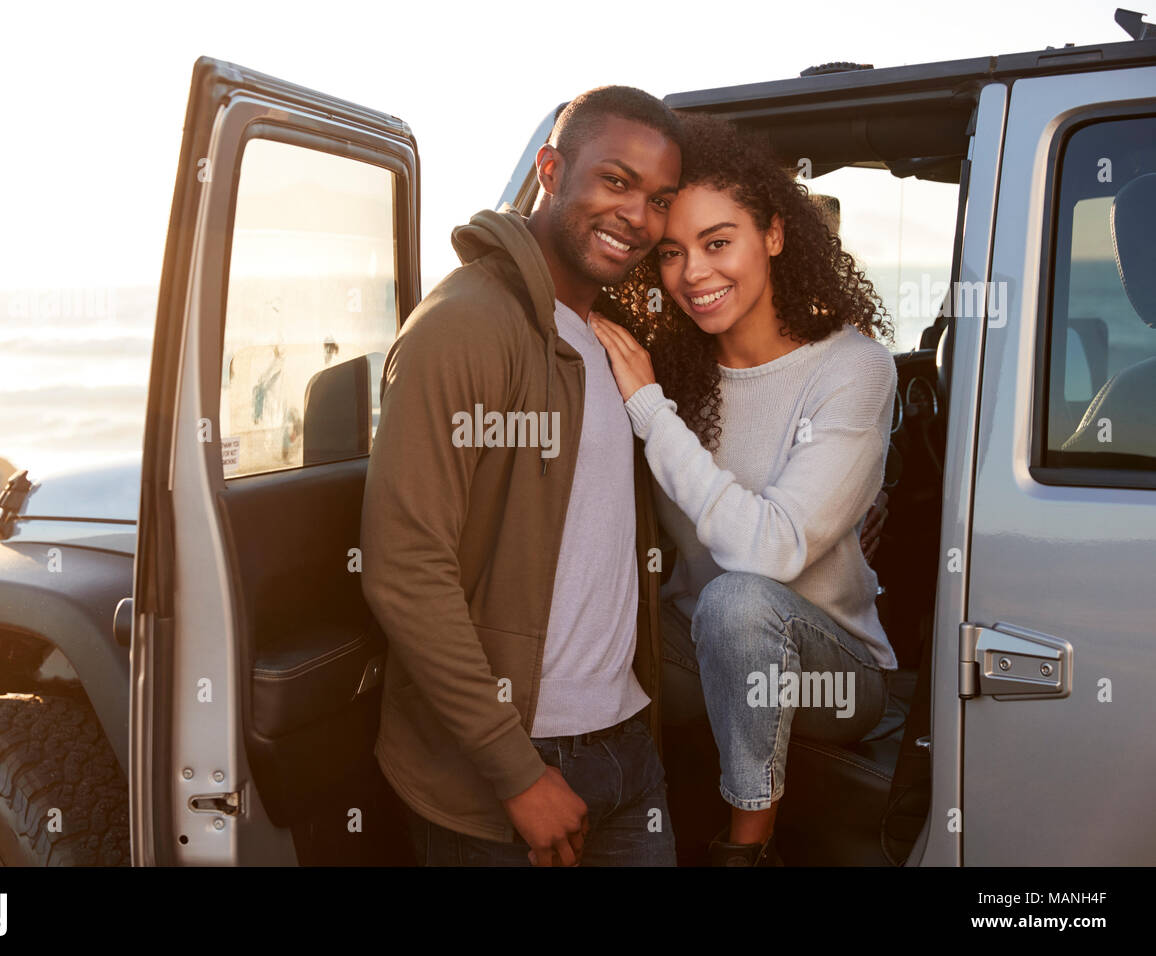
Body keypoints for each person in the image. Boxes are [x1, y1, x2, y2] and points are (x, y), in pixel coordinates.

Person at [360, 86, 684, 866]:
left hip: (624, 744)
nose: (637, 216)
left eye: (659, 198)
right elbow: (405, 569)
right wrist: (516, 774)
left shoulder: (603, 336)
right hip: (504, 772)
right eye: (615, 181)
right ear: (550, 170)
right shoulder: (466, 325)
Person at [590, 114, 899, 866]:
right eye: (672, 253)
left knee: (740, 600)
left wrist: (650, 411)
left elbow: (770, 550)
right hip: (694, 652)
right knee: (580, 619)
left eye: (718, 242)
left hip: (832, 674)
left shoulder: (853, 369)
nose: (694, 273)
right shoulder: (671, 368)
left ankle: (745, 852)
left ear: (774, 236)